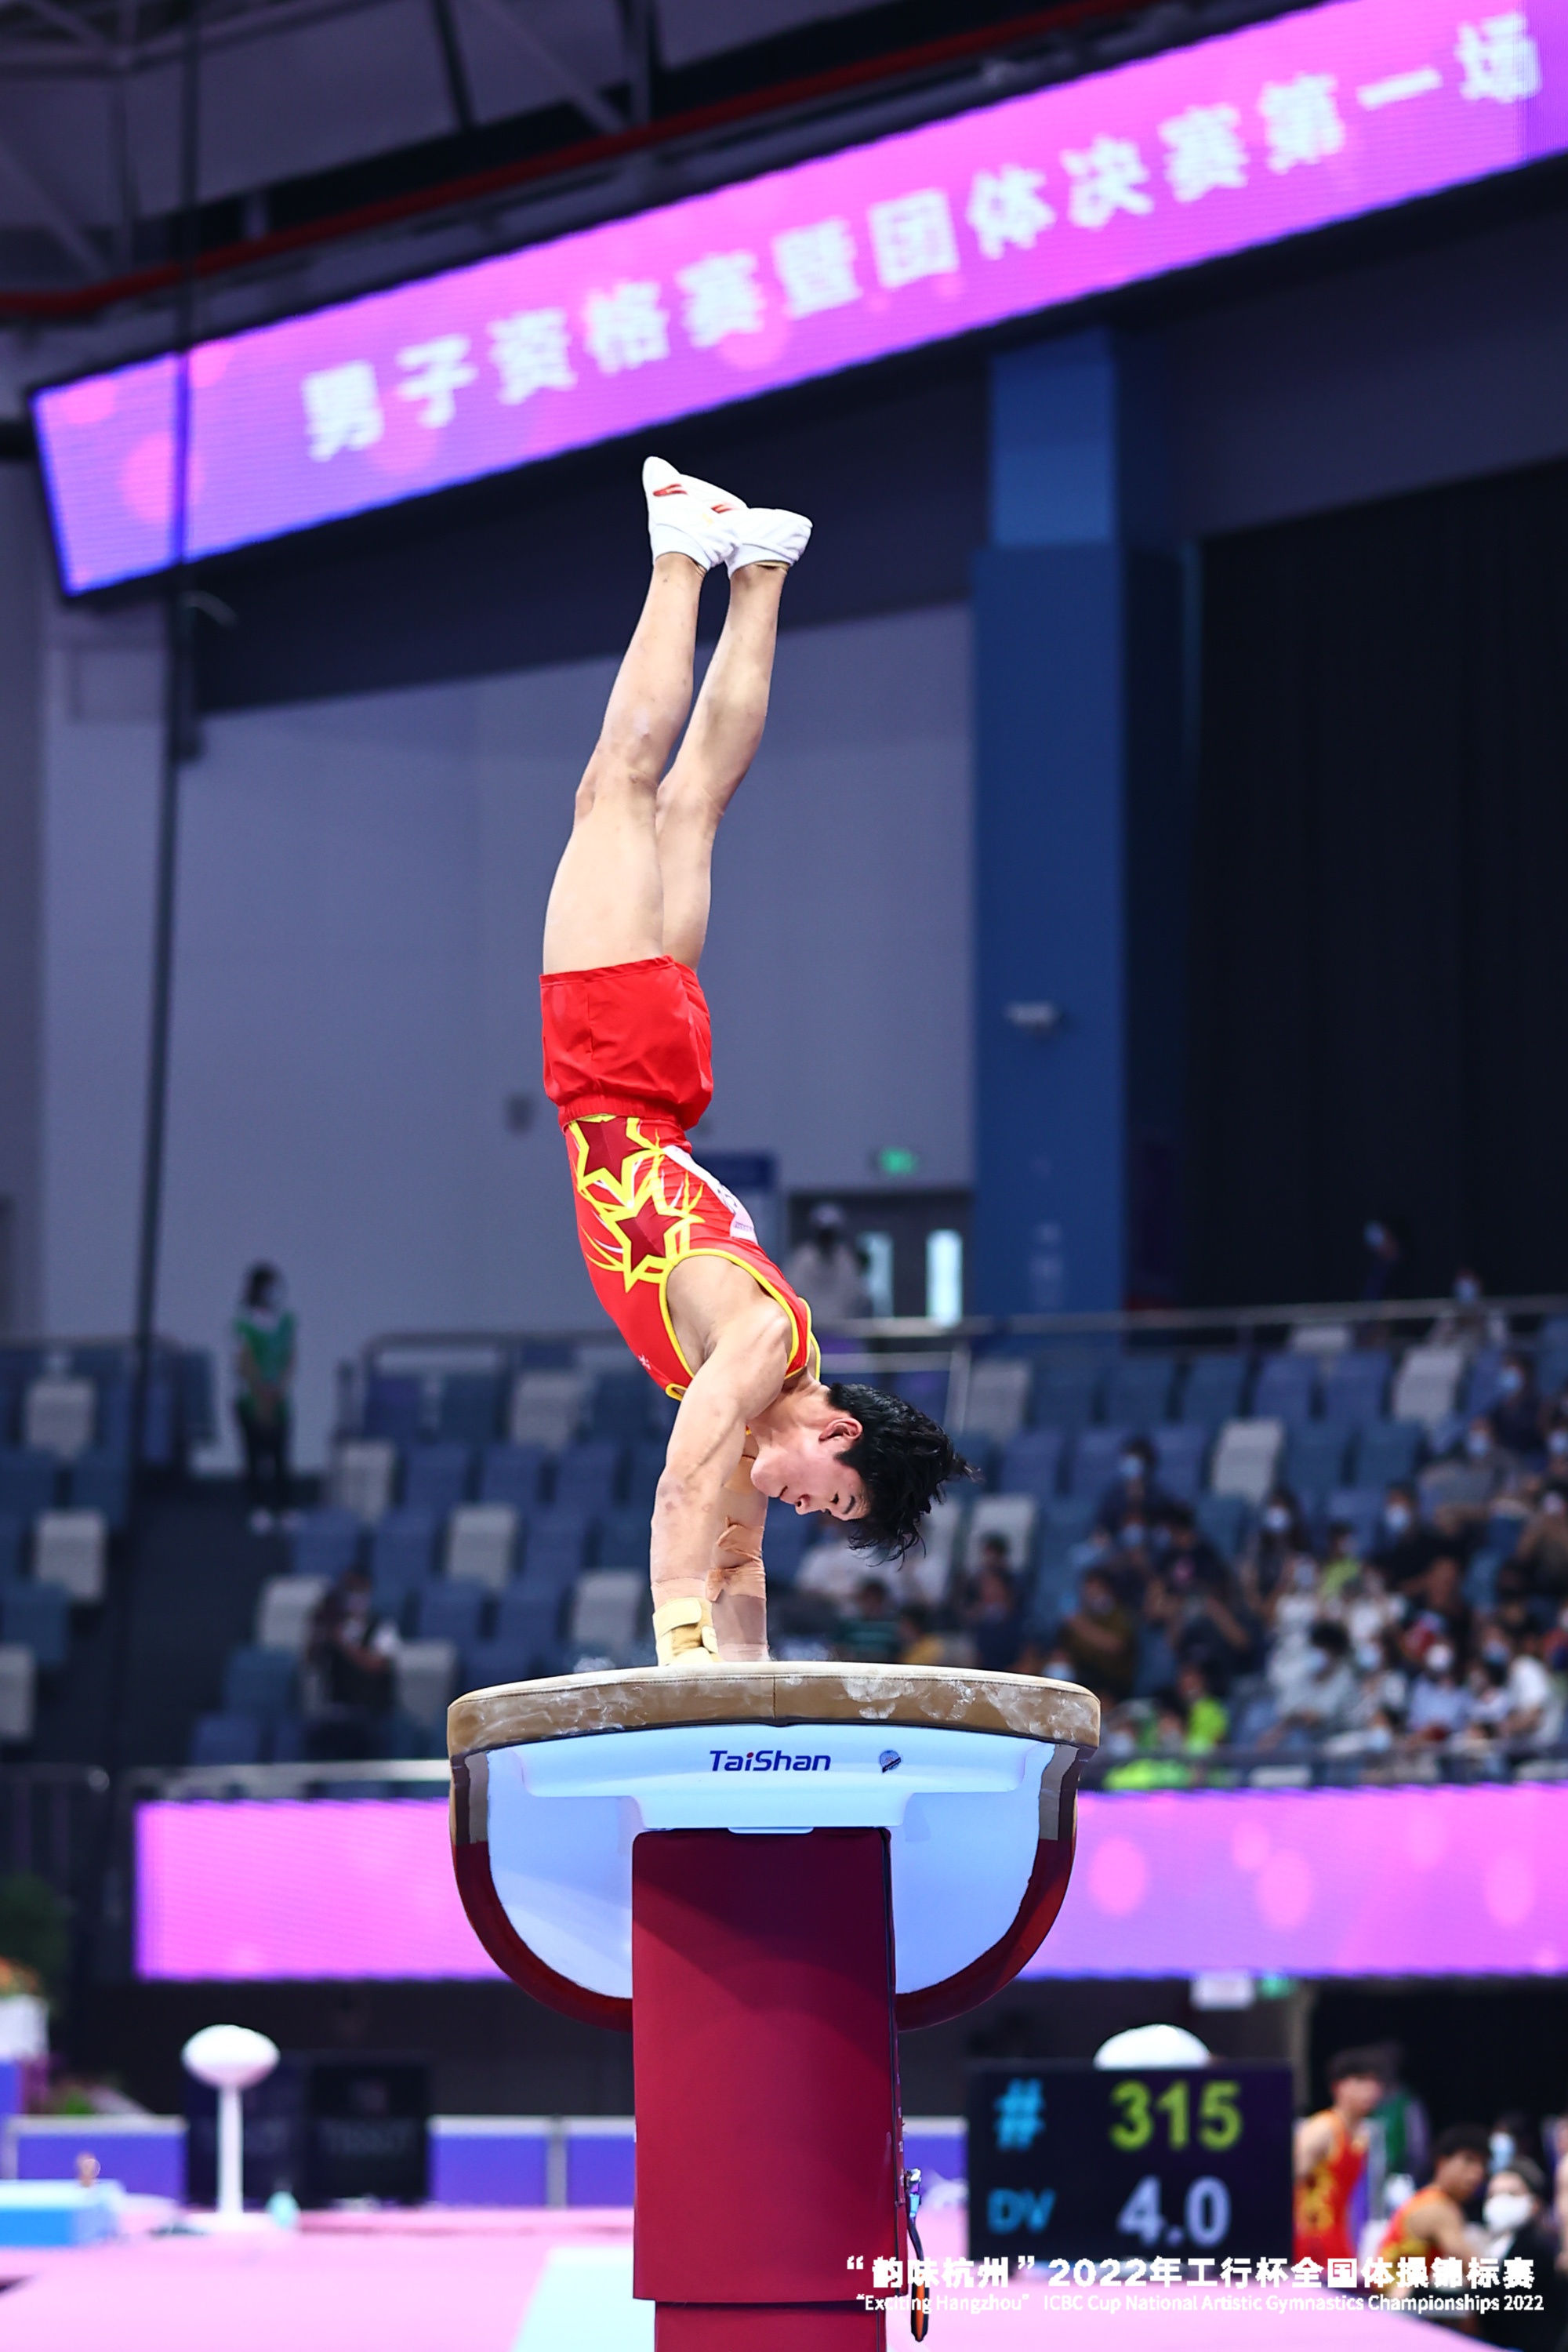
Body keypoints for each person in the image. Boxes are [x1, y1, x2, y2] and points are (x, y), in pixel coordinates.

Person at [539, 459, 966, 1668]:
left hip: (657, 1076)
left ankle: (764, 568)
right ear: (838, 1433)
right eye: (831, 1499)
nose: (803, 1511)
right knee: (618, 789)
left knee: (689, 810)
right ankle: (683, 553)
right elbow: (684, 1495)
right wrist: (678, 1645)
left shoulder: (772, 1379)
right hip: (614, 1068)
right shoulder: (760, 1356)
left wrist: (748, 1691)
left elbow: (733, 1561)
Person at [1294, 2047, 1388, 2268]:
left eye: (1375, 2082)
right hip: (1311, 2243)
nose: (1371, 2090)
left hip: (1341, 2240)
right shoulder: (1322, 2129)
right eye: (1361, 2081)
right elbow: (1282, 2184)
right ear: (1338, 2087)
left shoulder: (1362, 2136)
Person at [1374, 2125, 1490, 2296]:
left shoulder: (1424, 2198)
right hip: (1395, 2300)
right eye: (1469, 2161)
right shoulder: (1438, 2208)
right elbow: (1474, 2270)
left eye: (1482, 2165)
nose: (1477, 2173)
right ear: (1442, 2162)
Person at [303, 1567, 399, 1759]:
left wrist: (345, 1646)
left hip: (372, 1712)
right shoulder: (335, 1628)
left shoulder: (382, 1628)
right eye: (349, 1590)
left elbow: (378, 1665)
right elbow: (311, 1662)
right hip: (338, 1710)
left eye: (358, 1590)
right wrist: (317, 1631)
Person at [1473, 2158, 1566, 2352]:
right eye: (1493, 2195)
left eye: (1511, 2194)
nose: (1500, 2202)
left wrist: (1422, 2295)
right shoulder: (1496, 2244)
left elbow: (1496, 2299)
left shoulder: (1536, 2247)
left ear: (1534, 2203)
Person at [232, 1262, 296, 1533]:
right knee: (254, 1455)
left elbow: (290, 1357)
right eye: (269, 1287)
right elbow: (244, 1361)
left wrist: (278, 1387)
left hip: (279, 1398)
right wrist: (260, 1392)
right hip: (250, 1398)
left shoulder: (286, 1321)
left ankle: (284, 1507)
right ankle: (258, 1507)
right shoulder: (243, 1323)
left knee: (280, 1455)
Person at [783, 1204, 871, 1330]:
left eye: (830, 1233)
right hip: (810, 1330)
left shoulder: (847, 1262)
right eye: (823, 1233)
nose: (826, 1239)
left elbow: (858, 1297)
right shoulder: (801, 1261)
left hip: (842, 1332)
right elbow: (790, 1295)